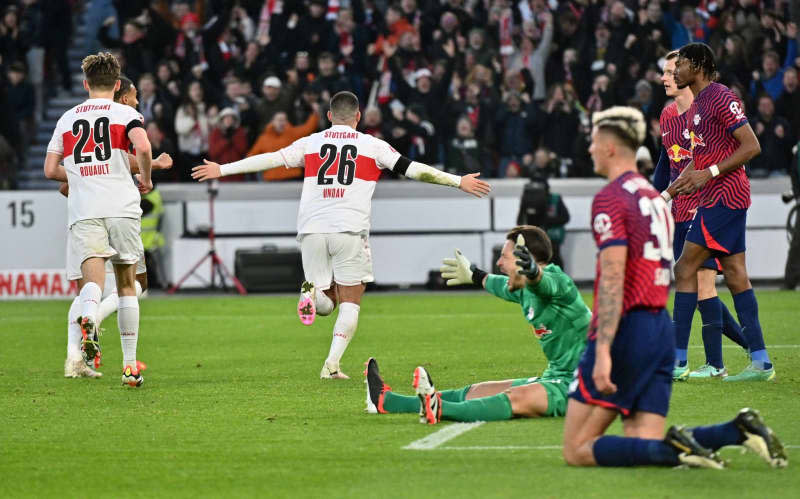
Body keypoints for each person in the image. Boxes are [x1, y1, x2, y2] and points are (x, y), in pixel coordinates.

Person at [191, 91, 491, 379]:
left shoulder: (311, 142)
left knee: (323, 301)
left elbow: (270, 159)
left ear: (329, 116)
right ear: (358, 116)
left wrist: (223, 169)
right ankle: (331, 364)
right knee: (350, 300)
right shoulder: (372, 145)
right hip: (349, 229)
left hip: (310, 228)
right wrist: (457, 180)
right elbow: (414, 170)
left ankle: (309, 293)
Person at [561, 105, 787, 470]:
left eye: (593, 142)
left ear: (611, 148)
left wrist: (603, 348)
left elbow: (614, 280)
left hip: (627, 330)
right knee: (642, 442)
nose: (589, 150)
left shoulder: (610, 198)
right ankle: (734, 430)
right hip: (659, 331)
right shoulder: (655, 201)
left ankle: (683, 447)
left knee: (575, 449)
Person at [365, 226, 590, 424]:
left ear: (525, 259)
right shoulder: (522, 291)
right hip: (555, 375)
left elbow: (545, 283)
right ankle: (388, 401)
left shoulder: (558, 281)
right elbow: (499, 283)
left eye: (505, 257)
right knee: (479, 391)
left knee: (518, 399)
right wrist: (475, 275)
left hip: (583, 384)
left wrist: (531, 270)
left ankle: (440, 408)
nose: (499, 263)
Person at [44, 52, 152, 387]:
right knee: (126, 286)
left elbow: (50, 170)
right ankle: (130, 367)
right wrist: (145, 178)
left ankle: (88, 316)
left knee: (92, 284)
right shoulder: (125, 112)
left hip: (85, 210)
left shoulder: (68, 118)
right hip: (121, 208)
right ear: (118, 84)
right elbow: (143, 147)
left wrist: (79, 177)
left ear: (85, 83)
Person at [667, 43, 774, 381]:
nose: (674, 72)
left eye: (679, 65)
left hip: (724, 197)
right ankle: (760, 363)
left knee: (685, 266)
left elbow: (752, 145)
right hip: (715, 197)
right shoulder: (698, 104)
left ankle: (677, 362)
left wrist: (709, 175)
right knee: (735, 274)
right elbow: (699, 160)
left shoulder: (720, 96)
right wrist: (667, 195)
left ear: (698, 65)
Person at [653, 50, 747, 380]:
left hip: (708, 201)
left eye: (670, 70)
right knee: (693, 283)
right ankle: (747, 346)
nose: (666, 77)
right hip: (680, 208)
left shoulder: (706, 108)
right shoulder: (667, 117)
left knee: (703, 281)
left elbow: (729, 151)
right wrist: (658, 198)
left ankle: (707, 363)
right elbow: (666, 163)